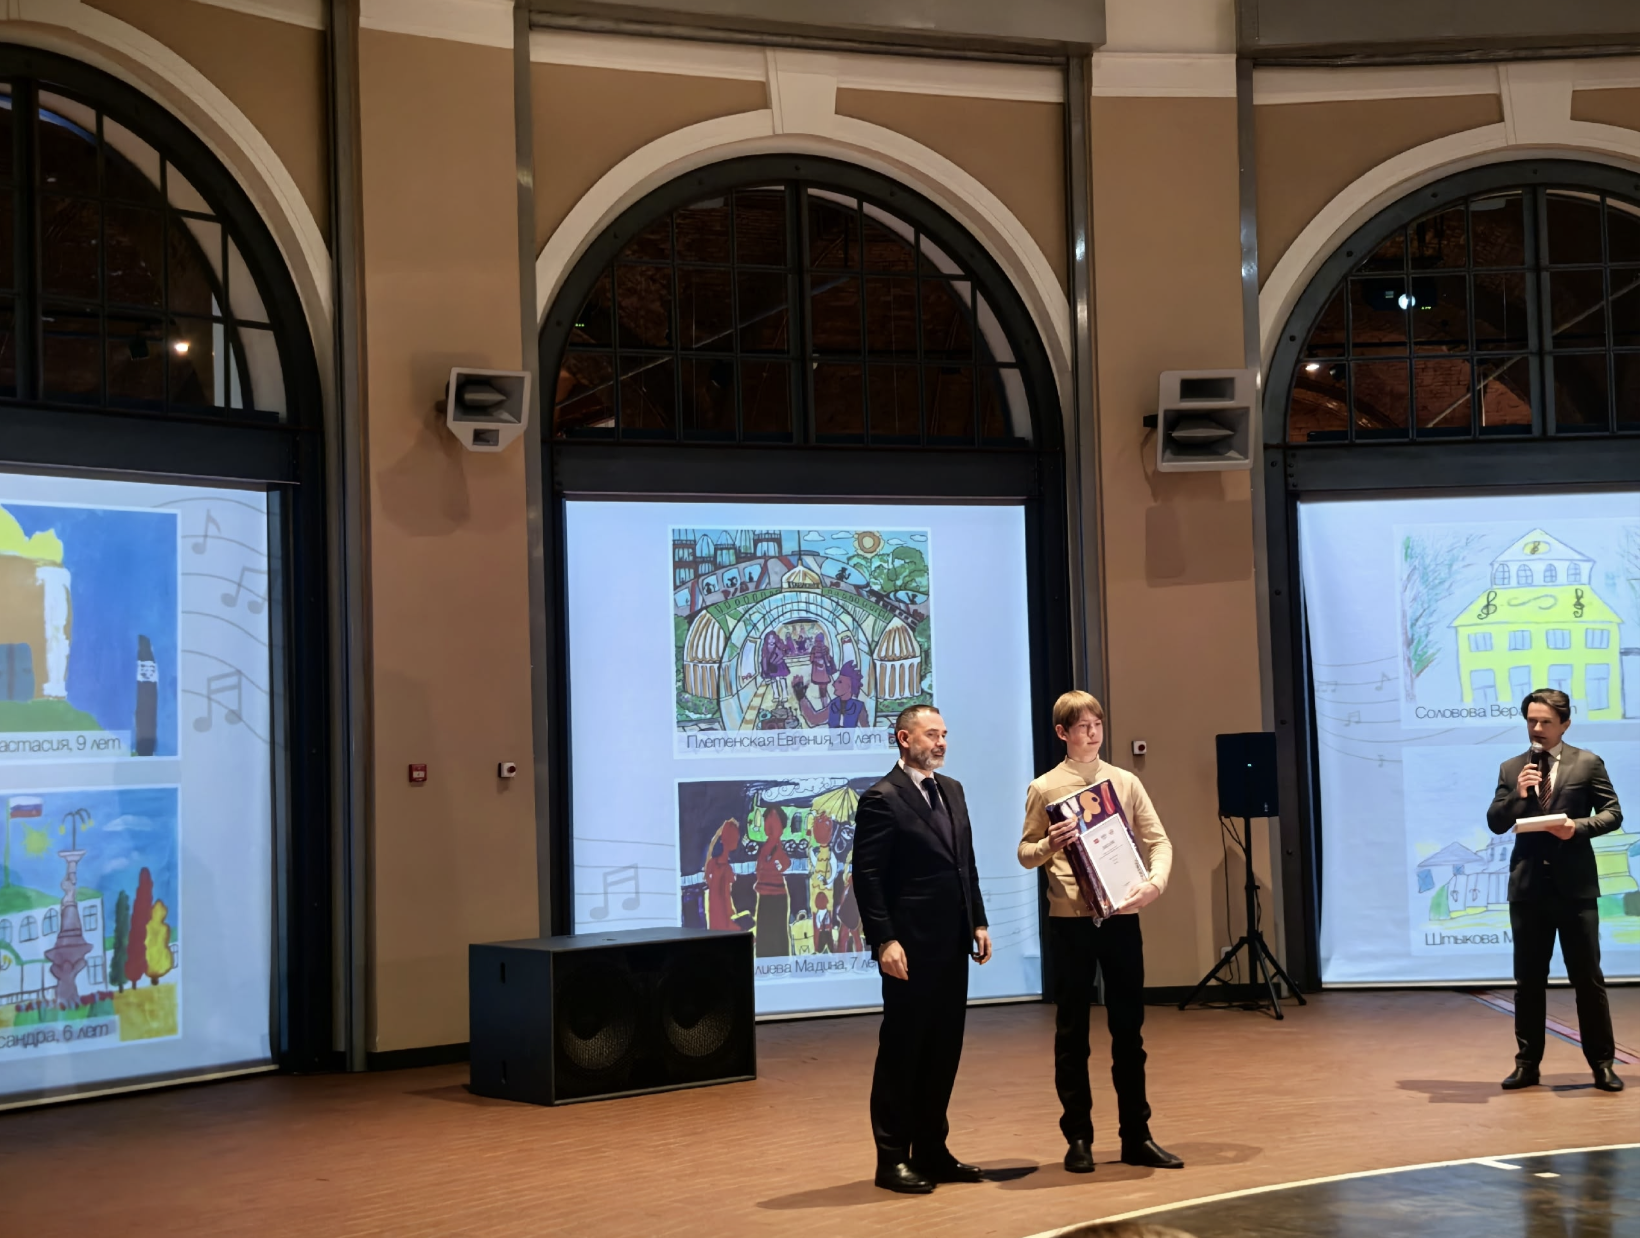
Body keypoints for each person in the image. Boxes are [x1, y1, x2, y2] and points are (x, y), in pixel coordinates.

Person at [1018, 690, 1183, 1175]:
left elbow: (1158, 842)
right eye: (1082, 726)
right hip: (1069, 924)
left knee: (1129, 1032)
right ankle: (1078, 1138)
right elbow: (1024, 853)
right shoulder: (1045, 788)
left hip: (1121, 919)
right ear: (1062, 733)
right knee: (1072, 1035)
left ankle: (1137, 1135)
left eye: (1098, 724)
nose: (1092, 733)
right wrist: (1048, 844)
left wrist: (1154, 885)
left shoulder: (1124, 782)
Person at [853, 705, 991, 1194]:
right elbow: (867, 877)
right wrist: (884, 940)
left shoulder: (952, 789)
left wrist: (978, 920)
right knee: (903, 1051)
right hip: (908, 948)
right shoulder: (881, 798)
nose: (941, 742)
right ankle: (892, 1158)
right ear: (904, 738)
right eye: (932, 734)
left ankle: (932, 1150)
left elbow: (964, 862)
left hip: (952, 944)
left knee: (943, 1049)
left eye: (944, 734)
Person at [1486, 688, 1624, 1093]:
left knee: (1588, 980)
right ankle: (1527, 1065)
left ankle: (1602, 1064)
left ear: (1565, 723)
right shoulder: (1513, 768)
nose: (1537, 728)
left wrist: (1576, 828)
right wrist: (1518, 794)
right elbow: (1495, 822)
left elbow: (1613, 814)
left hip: (1575, 888)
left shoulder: (1587, 762)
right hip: (1528, 889)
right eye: (1531, 720)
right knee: (1528, 982)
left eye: (1545, 721)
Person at [754, 806, 793, 957]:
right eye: (767, 819)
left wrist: (776, 863)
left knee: (777, 931)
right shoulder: (766, 847)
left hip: (776, 895)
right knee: (765, 930)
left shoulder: (776, 846)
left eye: (774, 820)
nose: (769, 824)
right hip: (765, 894)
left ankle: (778, 961)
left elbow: (785, 864)